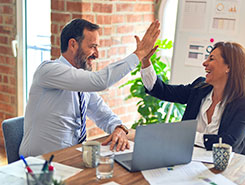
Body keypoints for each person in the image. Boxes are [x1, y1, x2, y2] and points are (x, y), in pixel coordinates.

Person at [19, 18, 160, 157]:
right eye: (93, 47)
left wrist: (119, 128)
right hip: (39, 166)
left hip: (71, 159)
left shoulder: (81, 84)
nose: (97, 55)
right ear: (73, 45)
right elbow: (100, 81)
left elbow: (103, 115)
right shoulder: (48, 70)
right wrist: (139, 54)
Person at [140, 41, 245, 153]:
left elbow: (228, 143)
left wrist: (187, 136)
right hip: (186, 159)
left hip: (221, 168)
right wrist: (145, 61)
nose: (204, 63)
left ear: (229, 67)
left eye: (211, 59)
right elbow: (161, 90)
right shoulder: (199, 88)